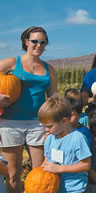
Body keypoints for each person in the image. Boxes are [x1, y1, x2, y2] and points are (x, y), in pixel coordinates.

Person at [0, 26, 57, 192]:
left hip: (38, 125)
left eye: (43, 42)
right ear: (26, 42)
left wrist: (54, 126)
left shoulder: (49, 69)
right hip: (10, 124)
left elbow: (54, 99)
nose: (38, 45)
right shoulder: (12, 63)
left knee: (39, 173)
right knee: (13, 174)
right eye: (35, 41)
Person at [38, 94, 91, 193]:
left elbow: (86, 165)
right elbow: (46, 161)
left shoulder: (78, 139)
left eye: (50, 126)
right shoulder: (50, 139)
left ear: (64, 121)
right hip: (54, 187)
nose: (46, 129)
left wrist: (60, 169)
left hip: (74, 189)